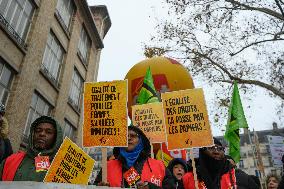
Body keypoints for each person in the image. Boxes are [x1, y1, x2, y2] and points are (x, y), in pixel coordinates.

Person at [94, 125, 173, 188]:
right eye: (125, 136)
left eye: (133, 135)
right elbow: (94, 186)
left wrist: (152, 187)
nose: (128, 138)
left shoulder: (159, 166)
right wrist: (98, 187)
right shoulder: (108, 166)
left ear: (141, 141)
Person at [0, 115, 63, 181]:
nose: (42, 134)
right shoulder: (10, 160)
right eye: (38, 130)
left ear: (56, 138)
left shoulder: (62, 169)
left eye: (48, 132)